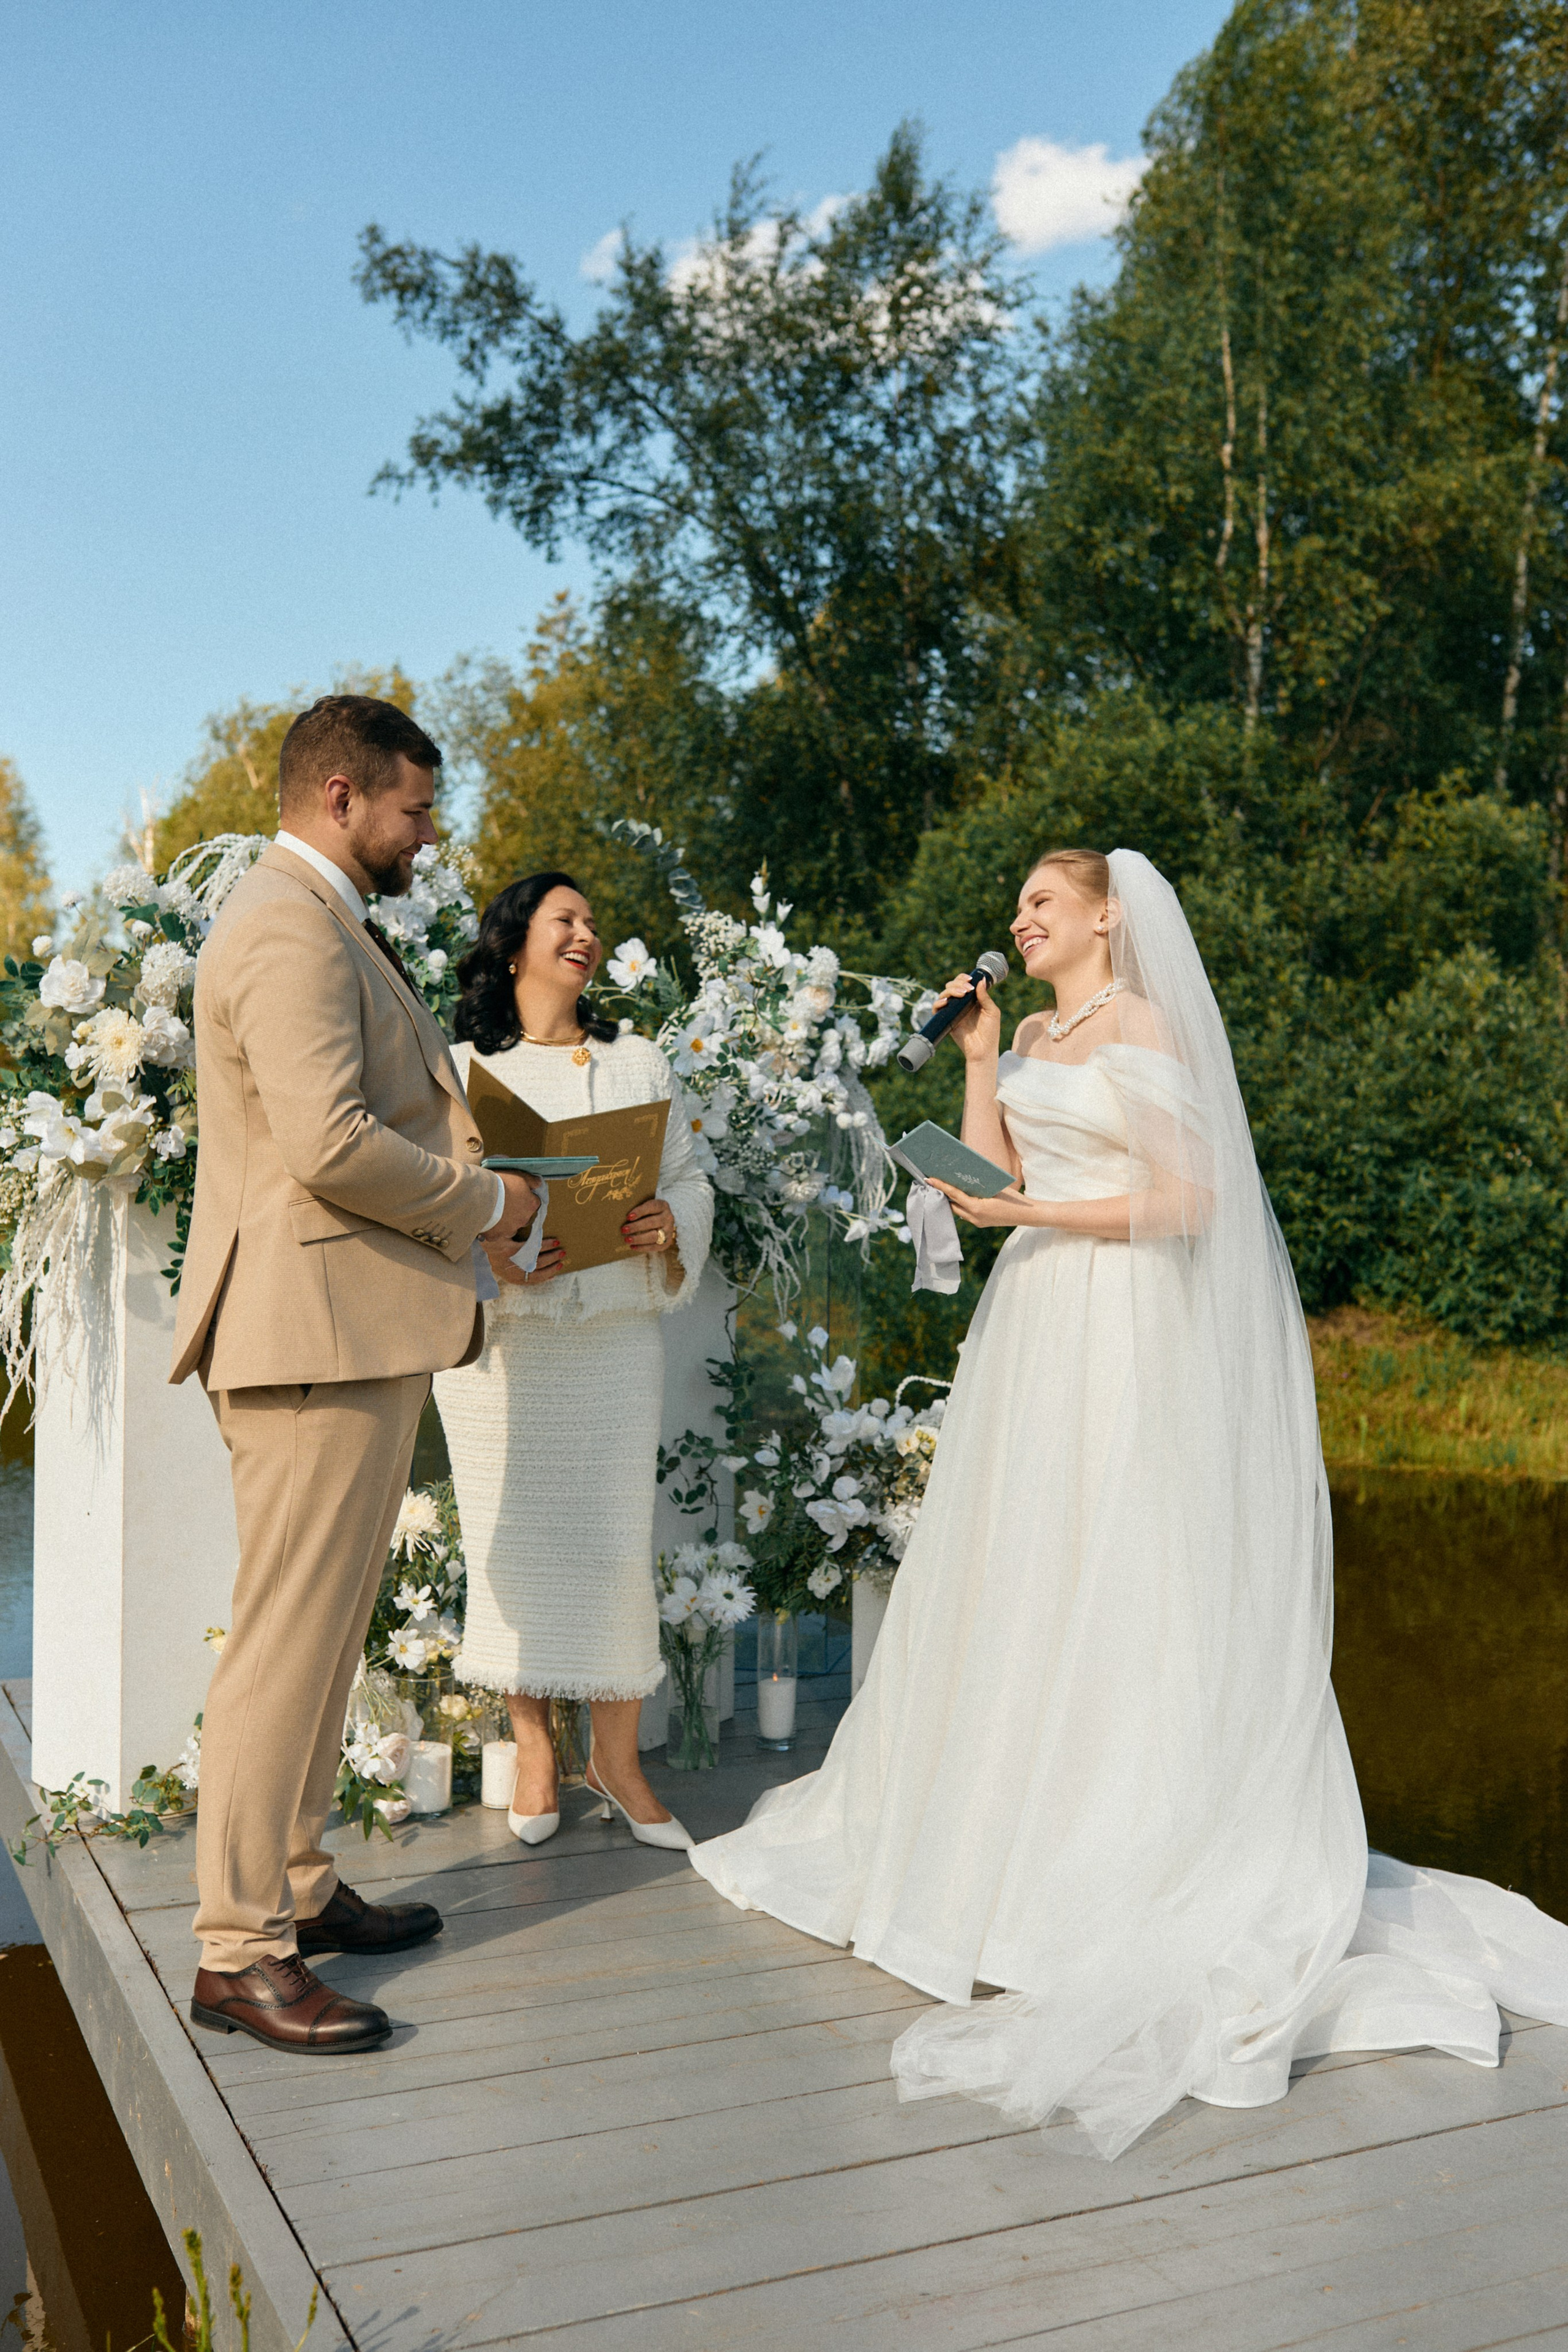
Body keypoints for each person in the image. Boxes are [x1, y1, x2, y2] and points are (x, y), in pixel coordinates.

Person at [691, 845, 1568, 2157]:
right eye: (1018, 909)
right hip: (1033, 1322)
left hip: (1123, 1325)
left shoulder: (1145, 1024)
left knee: (1125, 1569)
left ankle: (1114, 1851)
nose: (1019, 921)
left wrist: (1037, 1206)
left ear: (1106, 914)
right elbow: (984, 1183)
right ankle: (988, 1845)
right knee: (1018, 1573)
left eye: (1040, 903)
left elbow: (1186, 1198)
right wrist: (981, 1062)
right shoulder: (1036, 1029)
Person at [172, 695, 541, 2056]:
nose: (427, 835)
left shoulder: (319, 920)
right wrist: (486, 1199)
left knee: (323, 1640)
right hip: (307, 1334)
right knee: (284, 1645)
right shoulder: (282, 921)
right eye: (414, 809)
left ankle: (299, 1889)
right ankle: (236, 1953)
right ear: (341, 796)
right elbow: (329, 1144)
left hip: (342, 1330)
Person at [435, 872, 713, 1853]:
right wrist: (490, 1251)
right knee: (510, 1544)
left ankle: (619, 1761)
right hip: (503, 1353)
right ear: (514, 945)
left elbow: (686, 1174)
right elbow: (431, 1201)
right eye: (568, 919)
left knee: (609, 1546)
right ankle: (536, 1753)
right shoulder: (460, 1065)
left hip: (611, 1348)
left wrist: (670, 1220)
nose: (588, 934)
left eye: (595, 921)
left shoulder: (637, 1061)